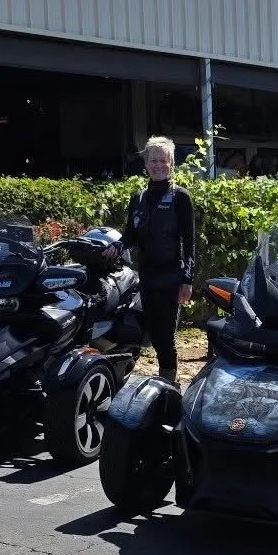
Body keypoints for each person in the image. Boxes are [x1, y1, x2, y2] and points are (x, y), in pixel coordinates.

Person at [121, 136, 197, 383]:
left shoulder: (180, 197)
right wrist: (116, 246)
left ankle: (169, 385)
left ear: (171, 163)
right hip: (147, 276)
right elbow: (130, 234)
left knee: (165, 337)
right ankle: (162, 381)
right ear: (146, 164)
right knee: (152, 335)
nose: (158, 165)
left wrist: (187, 279)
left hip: (171, 278)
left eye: (163, 161)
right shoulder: (139, 197)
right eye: (153, 160)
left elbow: (189, 241)